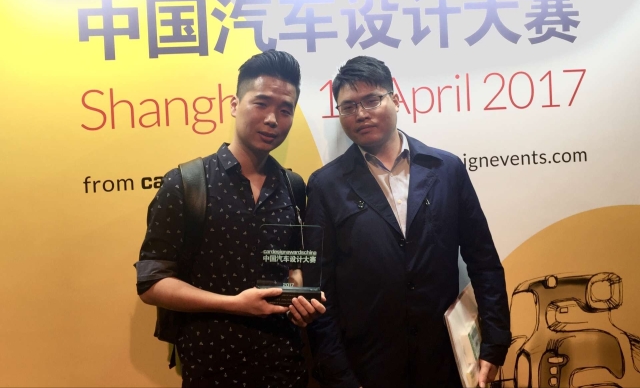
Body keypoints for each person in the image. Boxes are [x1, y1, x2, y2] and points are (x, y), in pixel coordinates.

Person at [305, 56, 510, 388]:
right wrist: (338, 375)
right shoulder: (325, 185)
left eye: (372, 100)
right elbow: (319, 288)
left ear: (396, 99)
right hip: (367, 365)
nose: (361, 113)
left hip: (445, 360)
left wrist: (495, 342)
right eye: (348, 106)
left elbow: (484, 261)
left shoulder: (446, 170)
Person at [135, 51, 325, 388]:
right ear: (235, 104)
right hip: (211, 369)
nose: (272, 119)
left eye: (285, 110)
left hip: (285, 367)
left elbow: (293, 264)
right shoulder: (187, 183)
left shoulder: (294, 186)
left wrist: (299, 294)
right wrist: (234, 305)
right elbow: (151, 283)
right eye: (261, 103)